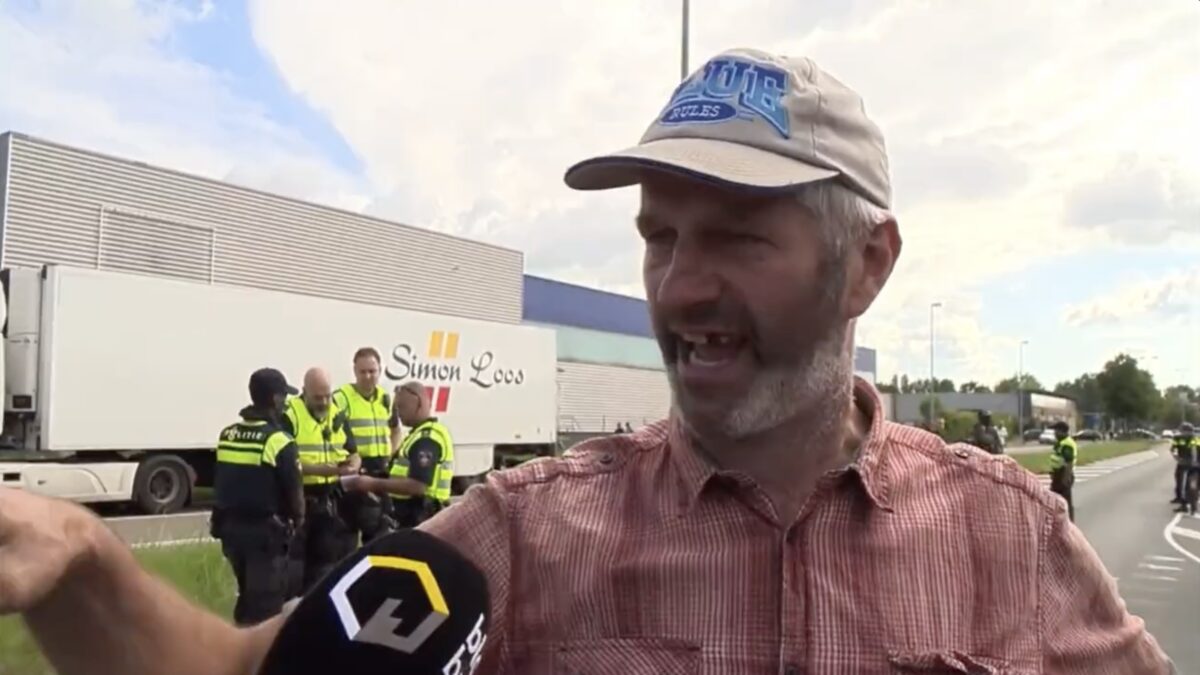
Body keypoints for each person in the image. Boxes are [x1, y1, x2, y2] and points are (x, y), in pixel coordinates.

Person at [0, 48, 1173, 674]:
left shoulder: (1007, 536)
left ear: (867, 265)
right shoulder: (522, 534)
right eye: (661, 237)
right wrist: (82, 563)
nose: (681, 285)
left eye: (738, 238)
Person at [210, 368, 305, 627]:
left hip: (231, 532)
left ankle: (238, 640)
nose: (285, 402)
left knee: (246, 597)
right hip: (265, 536)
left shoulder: (228, 435)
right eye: (284, 396)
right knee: (266, 609)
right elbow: (295, 494)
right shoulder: (279, 441)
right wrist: (297, 523)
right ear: (275, 399)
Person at [280, 367, 361, 595]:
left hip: (330, 500)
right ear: (304, 392)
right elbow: (285, 463)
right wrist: (326, 470)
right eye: (318, 397)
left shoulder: (337, 413)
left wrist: (353, 465)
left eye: (327, 395)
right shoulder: (289, 415)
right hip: (299, 497)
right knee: (295, 568)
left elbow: (353, 451)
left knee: (324, 567)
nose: (324, 402)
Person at [331, 347, 393, 542]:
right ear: (355, 371)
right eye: (363, 371)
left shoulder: (384, 398)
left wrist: (391, 452)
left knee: (379, 533)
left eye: (372, 371)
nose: (367, 376)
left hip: (380, 470)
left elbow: (396, 428)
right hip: (355, 471)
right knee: (348, 532)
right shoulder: (341, 398)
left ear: (380, 370)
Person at [384, 381, 456, 528]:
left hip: (424, 517)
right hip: (416, 517)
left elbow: (417, 486)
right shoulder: (416, 435)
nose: (398, 413)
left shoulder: (427, 439)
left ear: (419, 404)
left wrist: (371, 484)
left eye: (402, 407)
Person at [1048, 420, 1078, 521]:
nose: (1054, 433)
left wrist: (1065, 479)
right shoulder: (1061, 443)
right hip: (1058, 475)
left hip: (1063, 475)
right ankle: (1059, 522)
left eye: (1056, 431)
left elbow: (1069, 462)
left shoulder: (1067, 444)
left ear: (1062, 431)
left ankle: (1069, 523)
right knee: (1055, 501)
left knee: (1065, 502)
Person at [1171, 422, 1198, 514]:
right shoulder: (1177, 438)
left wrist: (1193, 462)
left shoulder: (1195, 439)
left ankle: (1191, 505)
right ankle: (1182, 501)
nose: (1183, 433)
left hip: (1193, 466)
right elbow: (1173, 449)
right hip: (1182, 464)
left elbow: (1194, 450)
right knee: (1181, 482)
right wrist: (1177, 458)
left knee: (1191, 485)